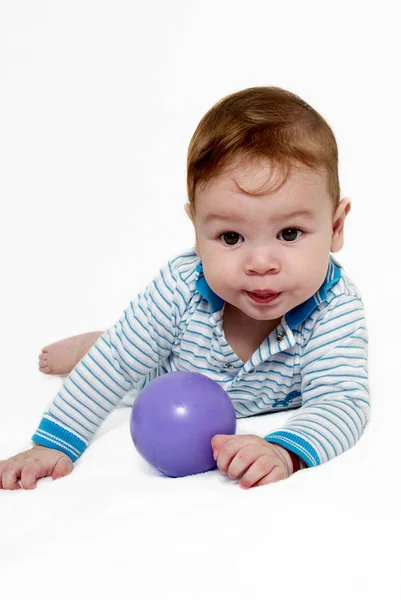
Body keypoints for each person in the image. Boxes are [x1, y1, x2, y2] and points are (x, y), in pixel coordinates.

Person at [0, 86, 369, 491]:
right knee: (124, 355)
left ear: (336, 228)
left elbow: (342, 402)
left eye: (289, 232)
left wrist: (284, 451)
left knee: (131, 346)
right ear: (197, 231)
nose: (261, 264)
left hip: (245, 397)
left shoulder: (335, 308)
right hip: (168, 371)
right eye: (231, 237)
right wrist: (51, 444)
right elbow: (117, 364)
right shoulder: (181, 288)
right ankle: (94, 342)